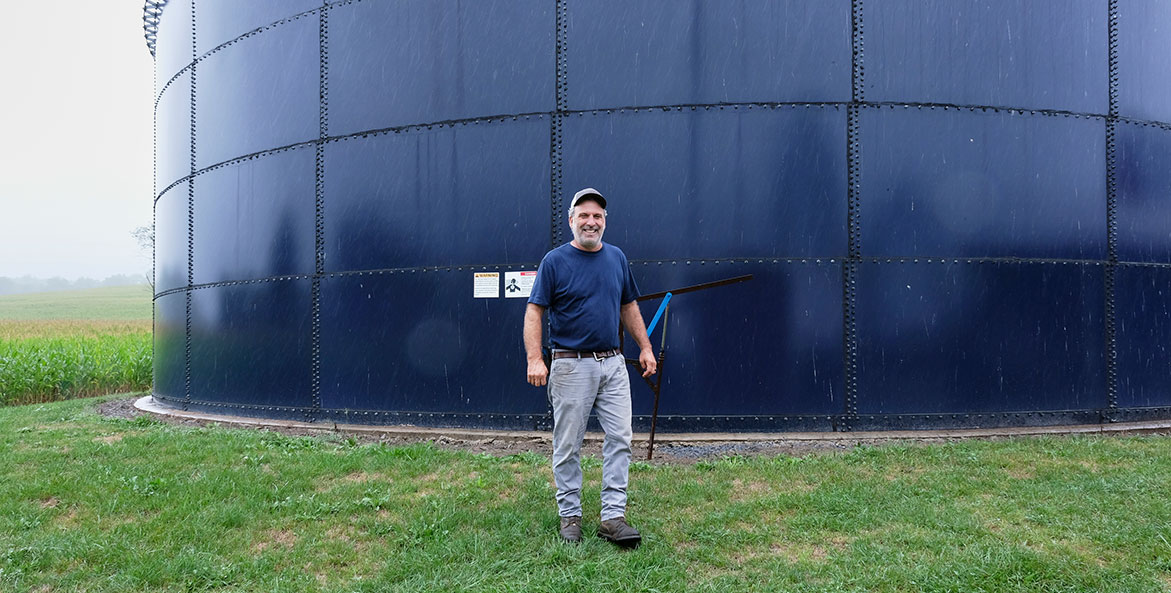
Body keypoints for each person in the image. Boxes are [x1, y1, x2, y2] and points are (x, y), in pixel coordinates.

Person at [523, 187, 657, 546]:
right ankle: (570, 516)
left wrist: (644, 347)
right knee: (568, 445)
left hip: (613, 364)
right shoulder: (554, 261)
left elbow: (629, 306)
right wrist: (536, 358)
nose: (591, 221)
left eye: (597, 216)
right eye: (583, 215)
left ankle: (613, 517)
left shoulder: (616, 258)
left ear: (604, 222)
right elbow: (535, 310)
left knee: (620, 439)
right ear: (571, 221)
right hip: (570, 366)